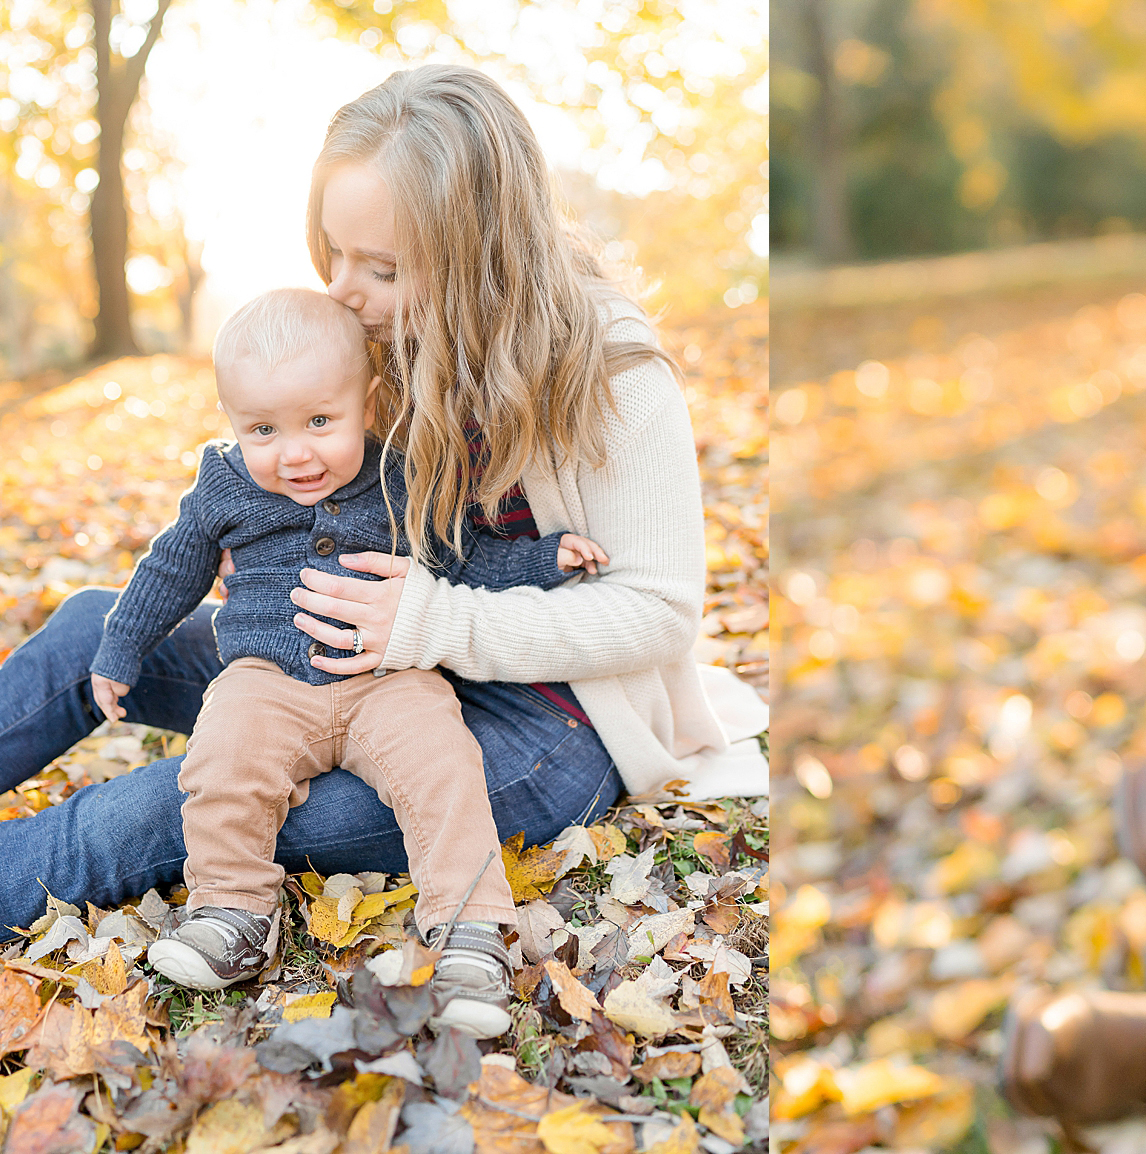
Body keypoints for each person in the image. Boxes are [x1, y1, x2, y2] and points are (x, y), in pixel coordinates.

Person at [0, 63, 762, 937]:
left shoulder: (613, 369)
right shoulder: (377, 340)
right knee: (95, 626)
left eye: (383, 266)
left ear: (480, 254)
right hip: (339, 661)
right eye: (336, 253)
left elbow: (659, 613)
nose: (343, 291)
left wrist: (429, 623)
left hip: (536, 729)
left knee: (153, 811)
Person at [93, 288, 603, 1035]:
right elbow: (171, 569)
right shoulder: (226, 484)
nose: (294, 452)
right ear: (232, 420)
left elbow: (463, 558)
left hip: (389, 679)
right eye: (263, 428)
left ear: (367, 402)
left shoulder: (404, 475)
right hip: (267, 680)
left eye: (320, 422)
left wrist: (540, 562)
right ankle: (233, 913)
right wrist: (120, 644)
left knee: (443, 766)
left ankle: (469, 932)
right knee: (221, 759)